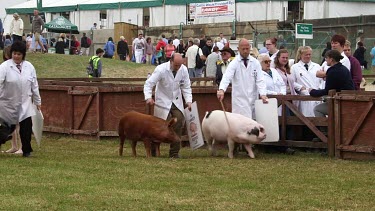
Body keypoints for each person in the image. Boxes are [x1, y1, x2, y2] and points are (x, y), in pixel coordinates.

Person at [144, 53, 192, 158]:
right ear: (171, 61)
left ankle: (174, 153)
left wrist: (188, 101)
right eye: (176, 65)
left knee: (179, 120)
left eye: (180, 65)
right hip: (162, 101)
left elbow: (186, 87)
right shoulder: (161, 69)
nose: (178, 68)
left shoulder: (183, 70)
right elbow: (149, 84)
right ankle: (154, 151)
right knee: (158, 126)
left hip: (176, 101)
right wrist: (148, 97)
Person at [0, 41, 42, 157]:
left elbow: (34, 85)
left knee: (26, 129)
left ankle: (26, 150)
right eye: (14, 54)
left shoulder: (29, 67)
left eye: (19, 54)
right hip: (8, 103)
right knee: (5, 131)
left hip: (25, 102)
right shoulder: (4, 67)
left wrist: (38, 101)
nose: (16, 56)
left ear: (23, 55)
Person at [217, 38, 267, 119]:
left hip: (253, 99)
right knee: (241, 127)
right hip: (239, 101)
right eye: (243, 49)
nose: (245, 51)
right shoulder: (234, 63)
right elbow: (227, 77)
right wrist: (222, 89)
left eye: (247, 49)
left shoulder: (255, 63)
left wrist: (263, 94)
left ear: (250, 48)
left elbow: (260, 80)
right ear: (238, 49)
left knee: (254, 126)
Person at [310, 50, 355, 118]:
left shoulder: (332, 71)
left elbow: (328, 91)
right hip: (347, 100)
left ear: (331, 59)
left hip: (340, 102)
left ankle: (325, 128)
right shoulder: (344, 68)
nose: (325, 60)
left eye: (326, 58)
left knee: (317, 109)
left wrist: (312, 91)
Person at [291, 46, 323, 117]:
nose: (308, 56)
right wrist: (300, 87)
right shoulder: (294, 67)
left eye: (309, 54)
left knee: (317, 119)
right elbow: (292, 82)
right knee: (305, 120)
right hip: (304, 97)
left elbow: (322, 81)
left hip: (316, 96)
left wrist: (319, 89)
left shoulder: (317, 66)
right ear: (300, 55)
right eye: (306, 54)